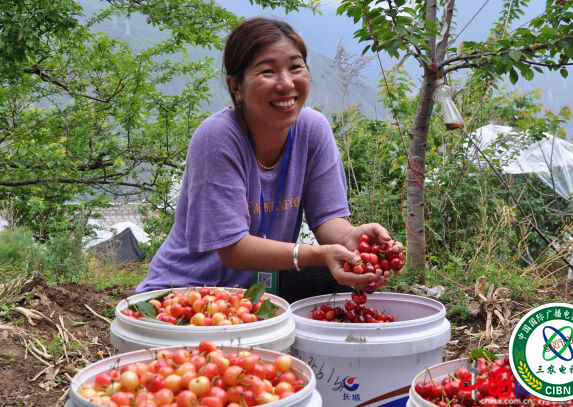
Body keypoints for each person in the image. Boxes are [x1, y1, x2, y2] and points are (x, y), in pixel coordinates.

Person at [136, 17, 402, 301]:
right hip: (189, 291)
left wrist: (351, 238)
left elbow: (328, 218)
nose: (286, 83)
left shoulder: (312, 129)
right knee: (324, 268)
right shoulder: (218, 137)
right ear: (235, 86)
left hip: (258, 288)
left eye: (296, 67)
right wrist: (316, 254)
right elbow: (232, 249)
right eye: (267, 71)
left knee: (348, 275)